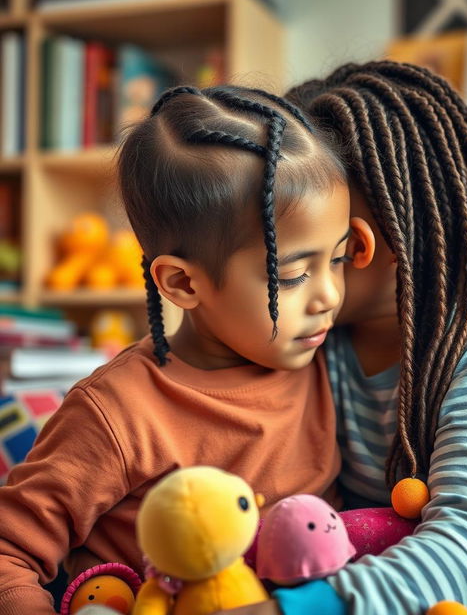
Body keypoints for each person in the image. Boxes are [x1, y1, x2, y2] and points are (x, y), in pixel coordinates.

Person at [224, 61, 467, 615]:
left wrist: (305, 608)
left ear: (358, 245)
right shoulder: (306, 339)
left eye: (291, 243)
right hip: (362, 575)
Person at [0, 84, 375, 615]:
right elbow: (8, 552)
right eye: (293, 276)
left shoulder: (324, 355)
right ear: (181, 284)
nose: (330, 296)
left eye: (337, 258)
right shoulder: (117, 413)